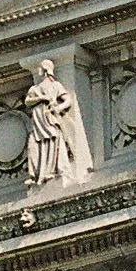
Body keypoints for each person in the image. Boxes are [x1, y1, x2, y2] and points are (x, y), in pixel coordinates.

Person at [24, 59, 90, 188]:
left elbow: (67, 100)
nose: (38, 70)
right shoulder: (34, 88)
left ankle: (52, 171)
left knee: (53, 142)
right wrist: (42, 98)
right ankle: (36, 174)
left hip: (50, 120)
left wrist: (58, 108)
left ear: (45, 70)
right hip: (37, 123)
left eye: (41, 68)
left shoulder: (56, 86)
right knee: (33, 145)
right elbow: (28, 101)